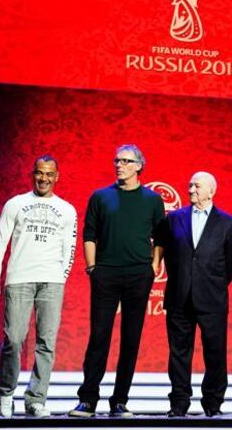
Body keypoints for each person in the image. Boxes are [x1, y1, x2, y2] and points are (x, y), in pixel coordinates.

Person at [68, 144, 165, 418]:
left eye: (125, 161)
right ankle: (87, 400)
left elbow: (161, 236)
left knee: (131, 339)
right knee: (99, 336)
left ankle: (120, 400)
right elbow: (89, 234)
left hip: (138, 274)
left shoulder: (152, 199)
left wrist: (154, 265)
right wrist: (92, 267)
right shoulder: (100, 196)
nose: (119, 165)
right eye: (117, 160)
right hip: (106, 274)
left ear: (138, 166)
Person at [0, 155, 77, 418]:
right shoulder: (15, 204)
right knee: (14, 339)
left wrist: (61, 275)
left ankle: (36, 398)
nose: (44, 178)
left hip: (51, 282)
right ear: (32, 174)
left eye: (49, 174)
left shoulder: (67, 209)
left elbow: (69, 247)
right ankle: (6, 392)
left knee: (46, 343)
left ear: (57, 177)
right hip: (19, 279)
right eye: (39, 173)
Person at [154, 172, 232, 417]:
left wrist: (213, 284)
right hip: (179, 296)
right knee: (179, 352)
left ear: (211, 191)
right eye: (189, 184)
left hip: (212, 298)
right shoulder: (175, 218)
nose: (190, 189)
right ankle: (179, 403)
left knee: (214, 351)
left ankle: (212, 403)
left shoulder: (227, 222)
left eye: (196, 186)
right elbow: (168, 255)